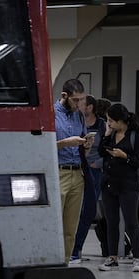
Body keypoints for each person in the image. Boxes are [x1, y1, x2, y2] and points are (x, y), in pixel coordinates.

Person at [98, 102, 139, 273]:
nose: (109, 124)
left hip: (128, 185)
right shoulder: (111, 135)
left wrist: (125, 156)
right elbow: (101, 152)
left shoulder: (136, 137)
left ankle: (137, 258)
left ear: (121, 121)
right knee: (111, 222)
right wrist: (106, 135)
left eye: (112, 121)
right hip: (109, 183)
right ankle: (112, 257)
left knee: (131, 222)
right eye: (108, 121)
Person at [54, 78, 89, 262]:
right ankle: (51, 261)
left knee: (70, 227)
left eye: (81, 99)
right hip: (59, 172)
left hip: (77, 173)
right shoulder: (51, 114)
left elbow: (82, 144)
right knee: (54, 224)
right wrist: (65, 143)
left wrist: (87, 144)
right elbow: (41, 146)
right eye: (75, 100)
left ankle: (65, 262)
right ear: (64, 96)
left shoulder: (80, 116)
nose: (79, 104)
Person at [71, 95, 107, 264]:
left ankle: (77, 248)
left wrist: (97, 163)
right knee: (74, 209)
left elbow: (107, 147)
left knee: (88, 211)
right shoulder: (75, 120)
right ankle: (71, 248)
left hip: (94, 169)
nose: (79, 105)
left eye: (82, 103)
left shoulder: (101, 125)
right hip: (78, 167)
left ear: (90, 107)